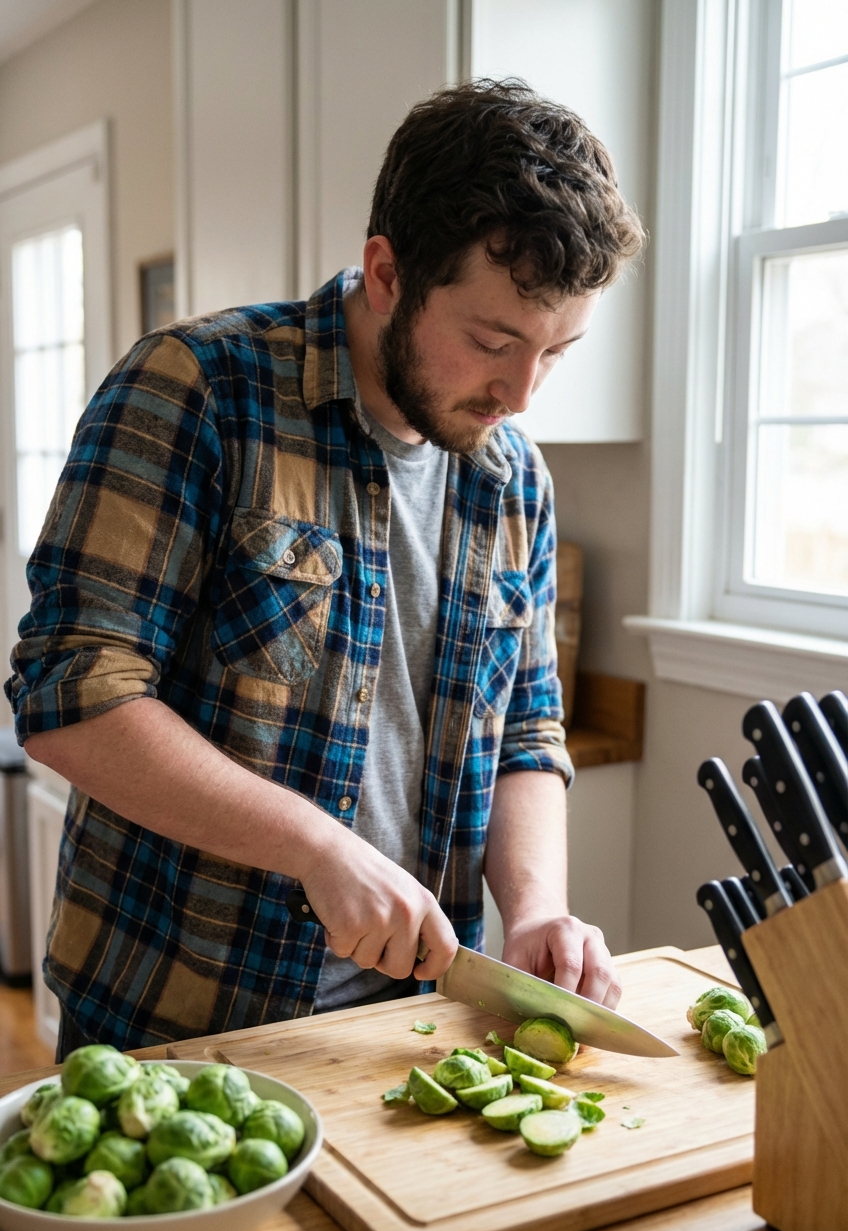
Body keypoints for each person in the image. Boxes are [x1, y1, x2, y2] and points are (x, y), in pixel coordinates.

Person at [8, 79, 644, 1056]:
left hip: (410, 1028)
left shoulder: (512, 477)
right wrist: (312, 845)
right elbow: (70, 693)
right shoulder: (196, 390)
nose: (520, 393)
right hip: (180, 1025)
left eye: (556, 352)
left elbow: (525, 726)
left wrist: (534, 914)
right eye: (490, 340)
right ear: (385, 270)